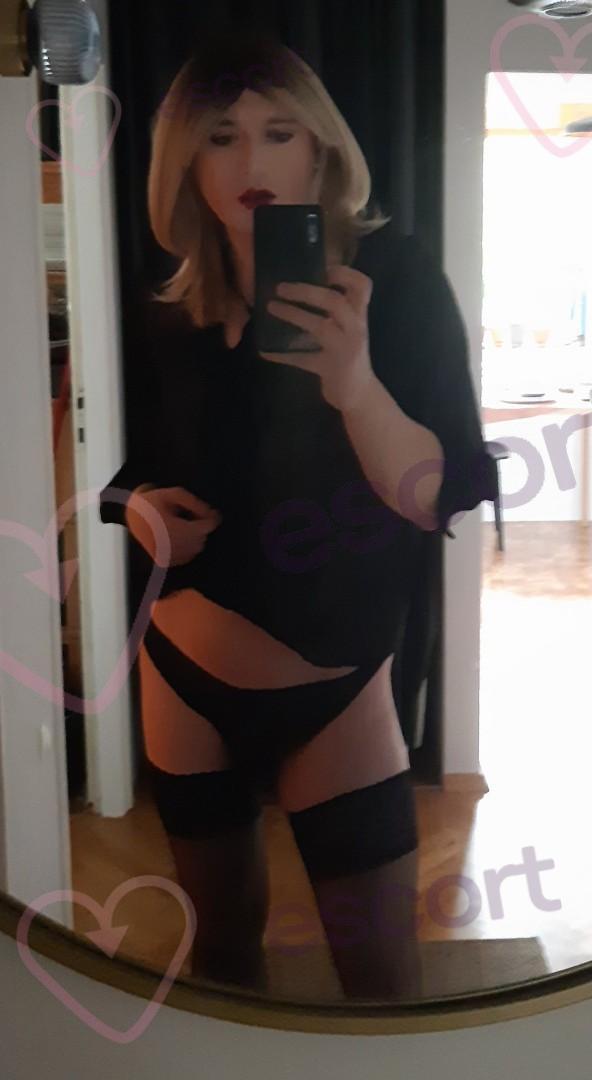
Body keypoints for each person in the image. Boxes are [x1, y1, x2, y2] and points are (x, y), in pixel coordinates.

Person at [99, 29, 498, 998]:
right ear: (186, 163)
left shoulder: (395, 280)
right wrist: (136, 511)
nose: (252, 162)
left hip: (337, 689)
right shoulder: (169, 311)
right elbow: (121, 473)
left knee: (382, 979)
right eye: (221, 137)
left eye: (279, 133)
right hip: (180, 676)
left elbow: (433, 494)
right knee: (221, 959)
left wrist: (356, 385)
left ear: (319, 152)